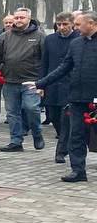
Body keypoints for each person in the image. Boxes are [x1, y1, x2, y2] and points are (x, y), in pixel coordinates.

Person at [30, 9, 97, 183]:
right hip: (76, 97)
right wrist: (40, 83)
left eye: (78, 24)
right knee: (76, 135)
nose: (76, 27)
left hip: (95, 97)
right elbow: (63, 68)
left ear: (91, 24)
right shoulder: (76, 43)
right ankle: (78, 170)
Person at [0, 7, 46, 152]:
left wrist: (43, 82)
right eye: (17, 18)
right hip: (9, 81)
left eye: (22, 18)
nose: (19, 20)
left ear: (29, 19)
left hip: (31, 82)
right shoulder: (4, 36)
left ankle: (37, 133)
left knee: (32, 108)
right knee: (12, 113)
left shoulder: (40, 36)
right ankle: (16, 141)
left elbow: (45, 59)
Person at [41, 12, 77, 164]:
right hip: (52, 83)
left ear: (72, 24)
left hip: (71, 85)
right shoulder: (49, 39)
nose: (61, 27)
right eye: (59, 24)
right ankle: (65, 142)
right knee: (54, 116)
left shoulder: (78, 39)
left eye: (65, 24)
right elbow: (44, 62)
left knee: (66, 119)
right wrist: (41, 84)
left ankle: (61, 151)